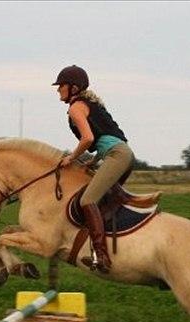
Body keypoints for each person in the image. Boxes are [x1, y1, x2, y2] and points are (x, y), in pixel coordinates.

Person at [53, 65, 134, 273]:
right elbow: (105, 138)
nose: (58, 89)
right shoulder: (89, 104)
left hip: (117, 156)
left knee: (87, 200)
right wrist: (93, 160)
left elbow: (88, 138)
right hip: (121, 154)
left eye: (60, 85)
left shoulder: (76, 107)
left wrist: (71, 157)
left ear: (72, 87)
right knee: (102, 200)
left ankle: (101, 255)